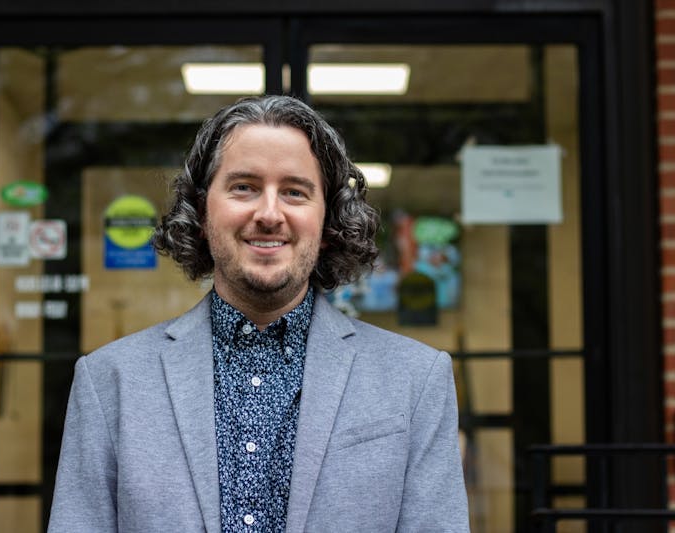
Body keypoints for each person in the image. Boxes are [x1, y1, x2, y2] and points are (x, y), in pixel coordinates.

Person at [48, 95, 469, 532]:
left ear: (328, 220)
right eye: (244, 187)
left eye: (294, 191)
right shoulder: (109, 383)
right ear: (202, 211)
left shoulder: (416, 380)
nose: (269, 214)